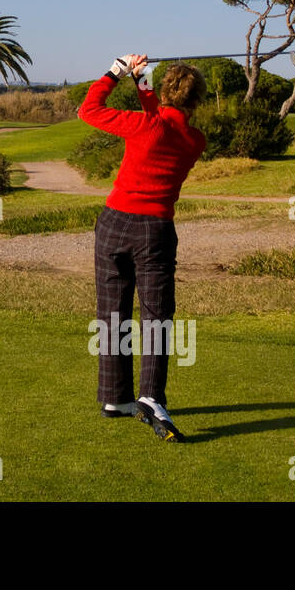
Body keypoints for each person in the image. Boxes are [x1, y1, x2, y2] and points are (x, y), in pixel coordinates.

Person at [78, 53, 207, 442]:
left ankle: (115, 397)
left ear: (165, 92)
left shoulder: (143, 125)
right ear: (197, 100)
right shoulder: (194, 139)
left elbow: (89, 109)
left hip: (114, 223)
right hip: (155, 231)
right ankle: (149, 395)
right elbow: (165, 119)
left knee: (112, 311)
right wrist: (142, 79)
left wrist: (118, 71)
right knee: (156, 315)